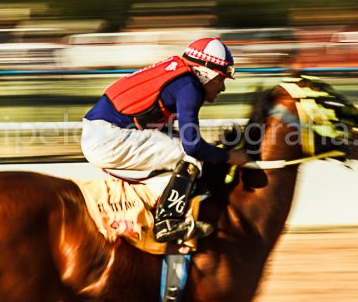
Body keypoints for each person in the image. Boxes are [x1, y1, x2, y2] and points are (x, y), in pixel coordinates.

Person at [81, 37, 250, 243]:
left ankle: (156, 211)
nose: (222, 88)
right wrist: (229, 156)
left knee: (180, 160)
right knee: (189, 156)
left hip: (103, 133)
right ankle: (168, 221)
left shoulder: (178, 76)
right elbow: (193, 146)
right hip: (109, 137)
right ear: (207, 73)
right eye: (221, 79)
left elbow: (172, 132)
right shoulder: (190, 87)